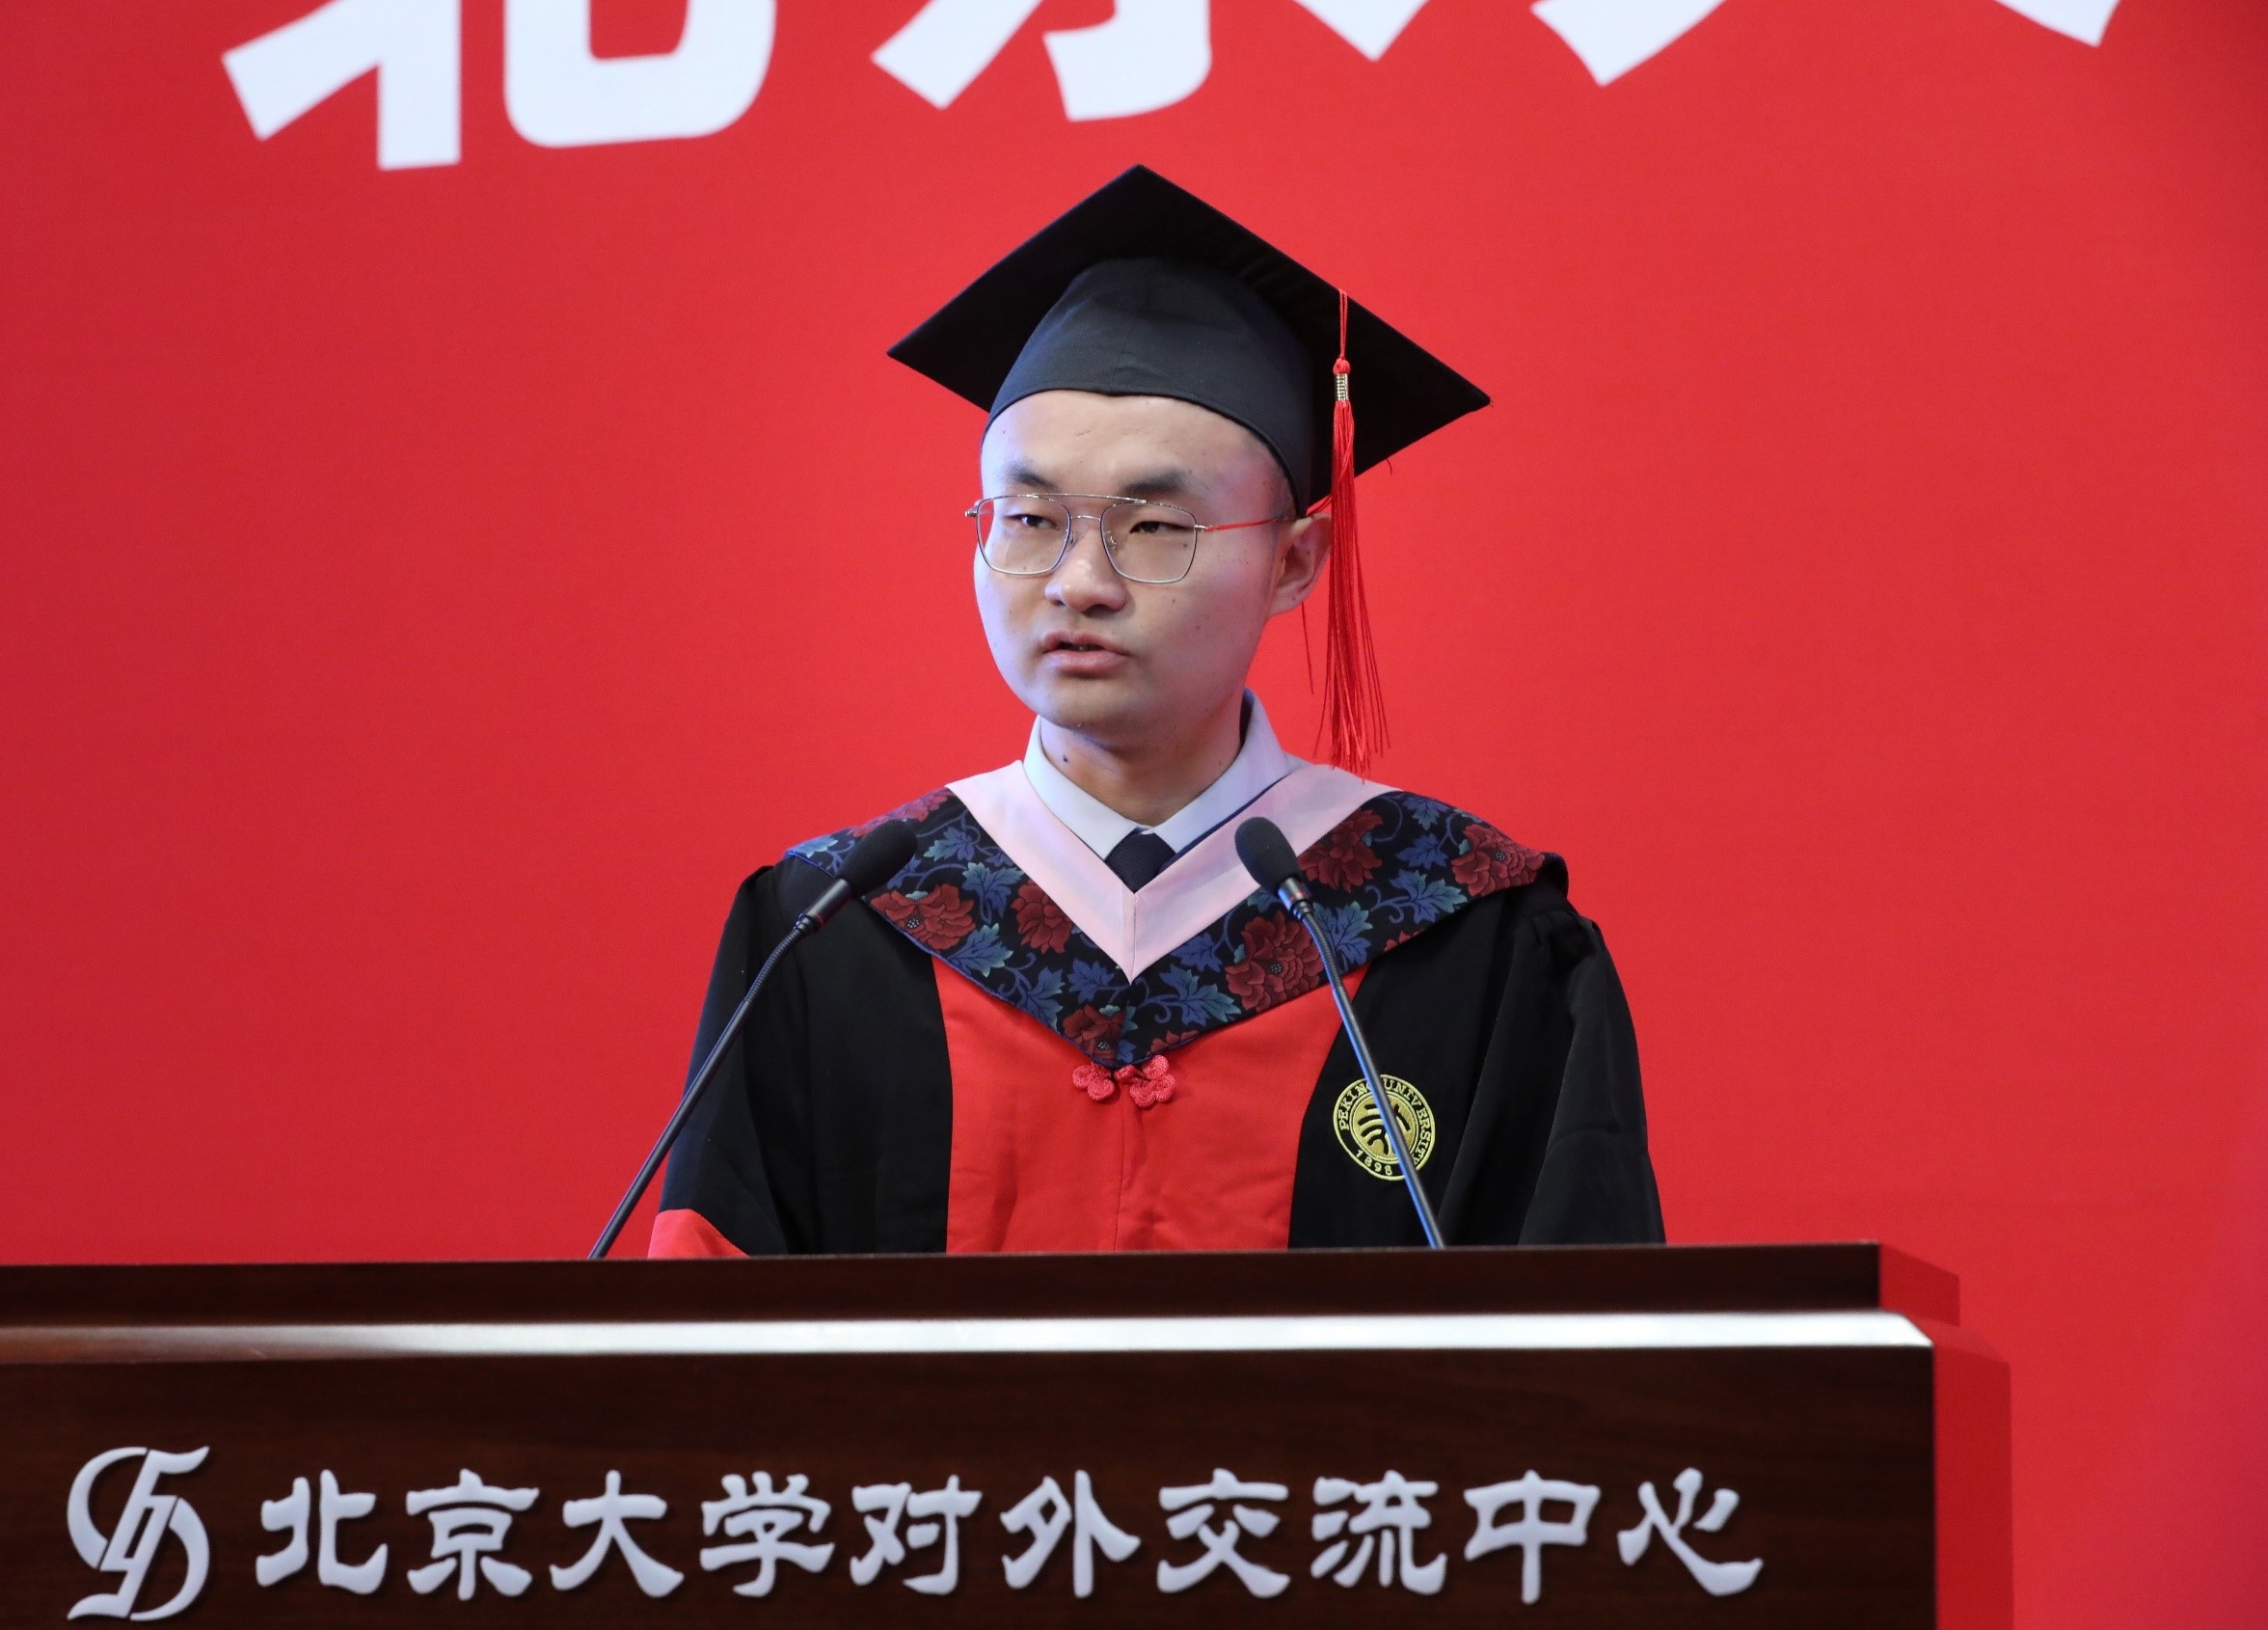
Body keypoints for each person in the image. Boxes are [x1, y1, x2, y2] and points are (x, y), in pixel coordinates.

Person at [649, 167, 1662, 1257]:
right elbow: (709, 1323)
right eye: (1028, 518)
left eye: (1154, 527)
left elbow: (1583, 1331)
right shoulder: (835, 928)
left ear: (1293, 562)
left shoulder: (1465, 930)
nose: (1079, 581)